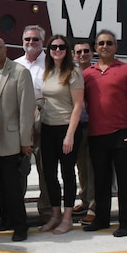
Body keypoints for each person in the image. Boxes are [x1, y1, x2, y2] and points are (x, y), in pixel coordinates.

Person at [82, 29, 127, 237]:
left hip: (122, 133)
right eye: (101, 43)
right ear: (95, 48)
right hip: (97, 134)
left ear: (116, 47)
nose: (105, 47)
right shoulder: (87, 74)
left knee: (126, 180)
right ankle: (101, 218)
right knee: (100, 180)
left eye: (109, 43)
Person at [0, 36, 35, 241]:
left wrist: (25, 141)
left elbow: (26, 109)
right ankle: (6, 219)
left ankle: (20, 225)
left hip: (12, 139)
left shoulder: (20, 72)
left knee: (13, 186)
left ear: (5, 49)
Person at [37, 35, 84, 235]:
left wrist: (70, 135)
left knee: (67, 173)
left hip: (66, 127)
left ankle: (67, 217)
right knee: (49, 174)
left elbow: (78, 106)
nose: (57, 50)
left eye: (61, 46)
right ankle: (55, 215)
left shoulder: (73, 72)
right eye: (53, 46)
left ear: (67, 50)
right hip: (47, 127)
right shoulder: (48, 71)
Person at [14, 25, 51, 218]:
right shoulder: (15, 65)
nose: (31, 43)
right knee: (20, 168)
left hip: (46, 118)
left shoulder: (52, 63)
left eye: (35, 39)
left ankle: (46, 209)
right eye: (27, 39)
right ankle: (17, 209)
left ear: (42, 42)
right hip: (22, 118)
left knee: (46, 168)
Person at [72, 41, 96, 225]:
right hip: (77, 125)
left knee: (93, 166)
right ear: (74, 55)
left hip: (94, 125)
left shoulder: (96, 73)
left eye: (86, 51)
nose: (82, 54)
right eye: (79, 52)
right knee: (81, 166)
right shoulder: (72, 74)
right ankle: (85, 199)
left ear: (92, 52)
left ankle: (93, 207)